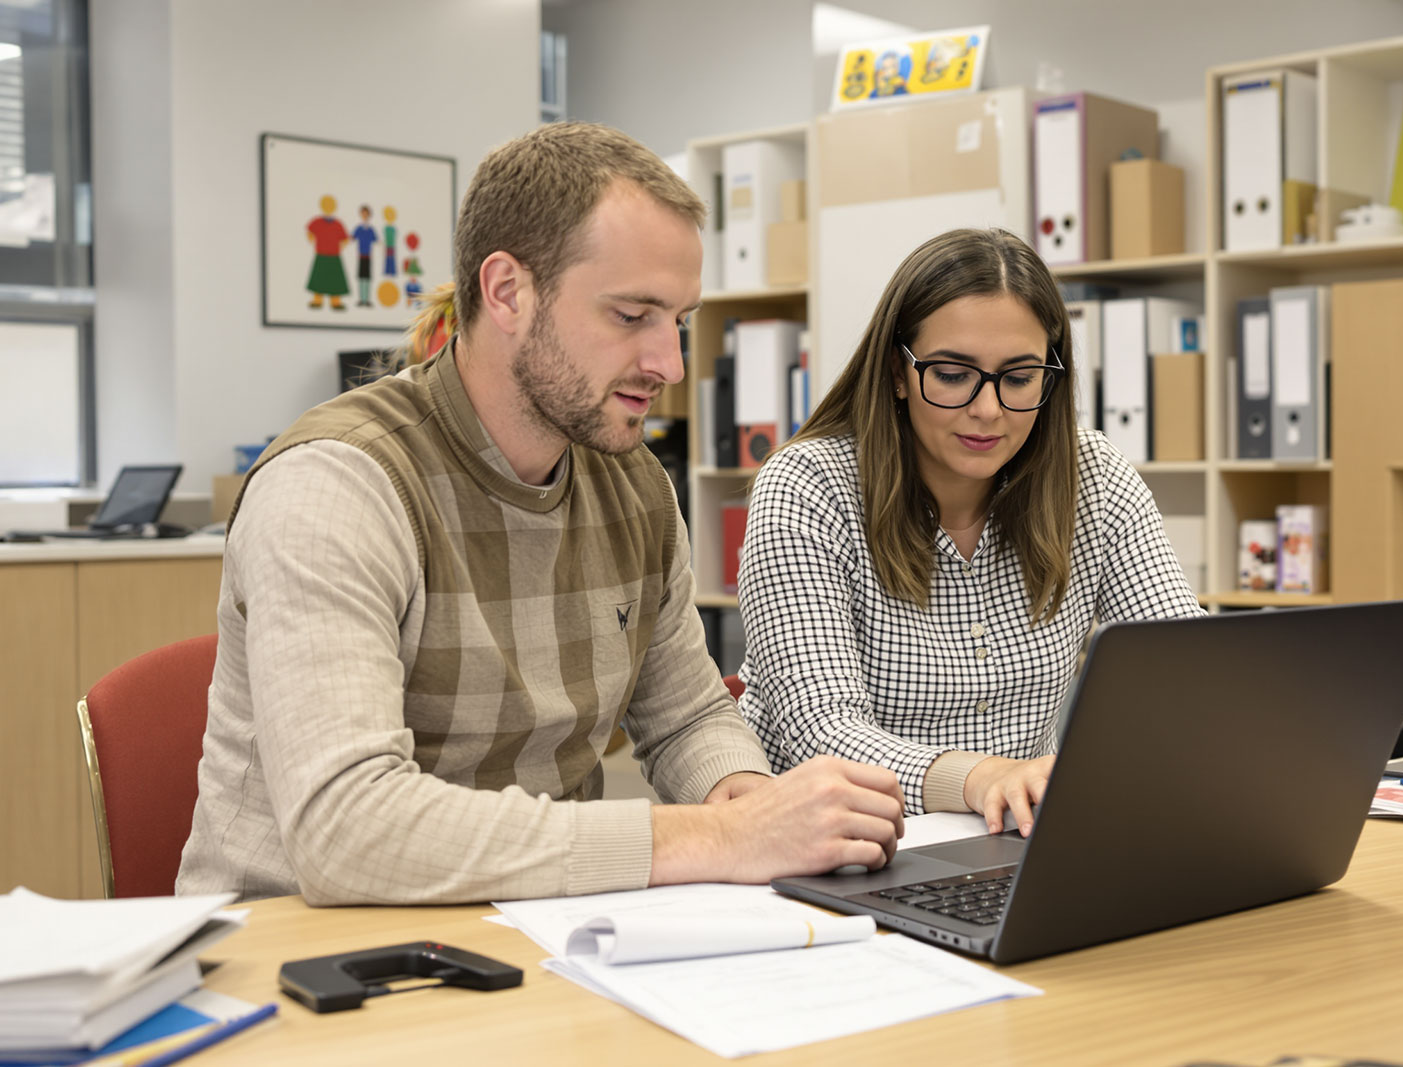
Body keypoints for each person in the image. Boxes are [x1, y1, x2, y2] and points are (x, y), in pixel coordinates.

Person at [177, 122, 904, 906]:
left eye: (680, 321)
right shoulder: (335, 486)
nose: (671, 365)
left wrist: (750, 802)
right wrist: (713, 839)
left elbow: (689, 713)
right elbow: (348, 830)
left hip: (539, 937)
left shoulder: (634, 485)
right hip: (299, 960)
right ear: (508, 292)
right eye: (633, 316)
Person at [736, 228, 1204, 838]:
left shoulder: (1091, 475)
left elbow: (1183, 661)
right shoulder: (807, 486)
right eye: (954, 374)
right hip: (827, 845)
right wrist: (981, 779)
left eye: (1019, 377)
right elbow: (822, 731)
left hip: (1011, 837)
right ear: (898, 374)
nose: (989, 410)